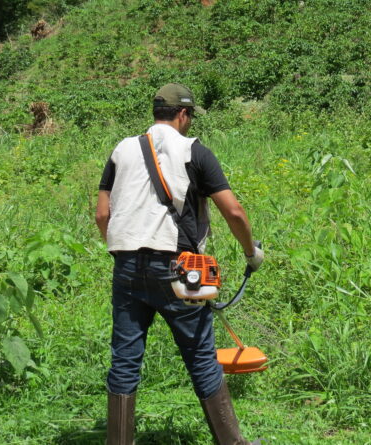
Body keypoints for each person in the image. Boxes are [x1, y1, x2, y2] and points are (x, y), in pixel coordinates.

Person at [95, 83, 264, 445]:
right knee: (201, 355)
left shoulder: (122, 150)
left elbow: (102, 215)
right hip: (179, 270)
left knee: (125, 360)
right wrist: (251, 252)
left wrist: (125, 252)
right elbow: (234, 212)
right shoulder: (193, 151)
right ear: (184, 114)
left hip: (126, 265)